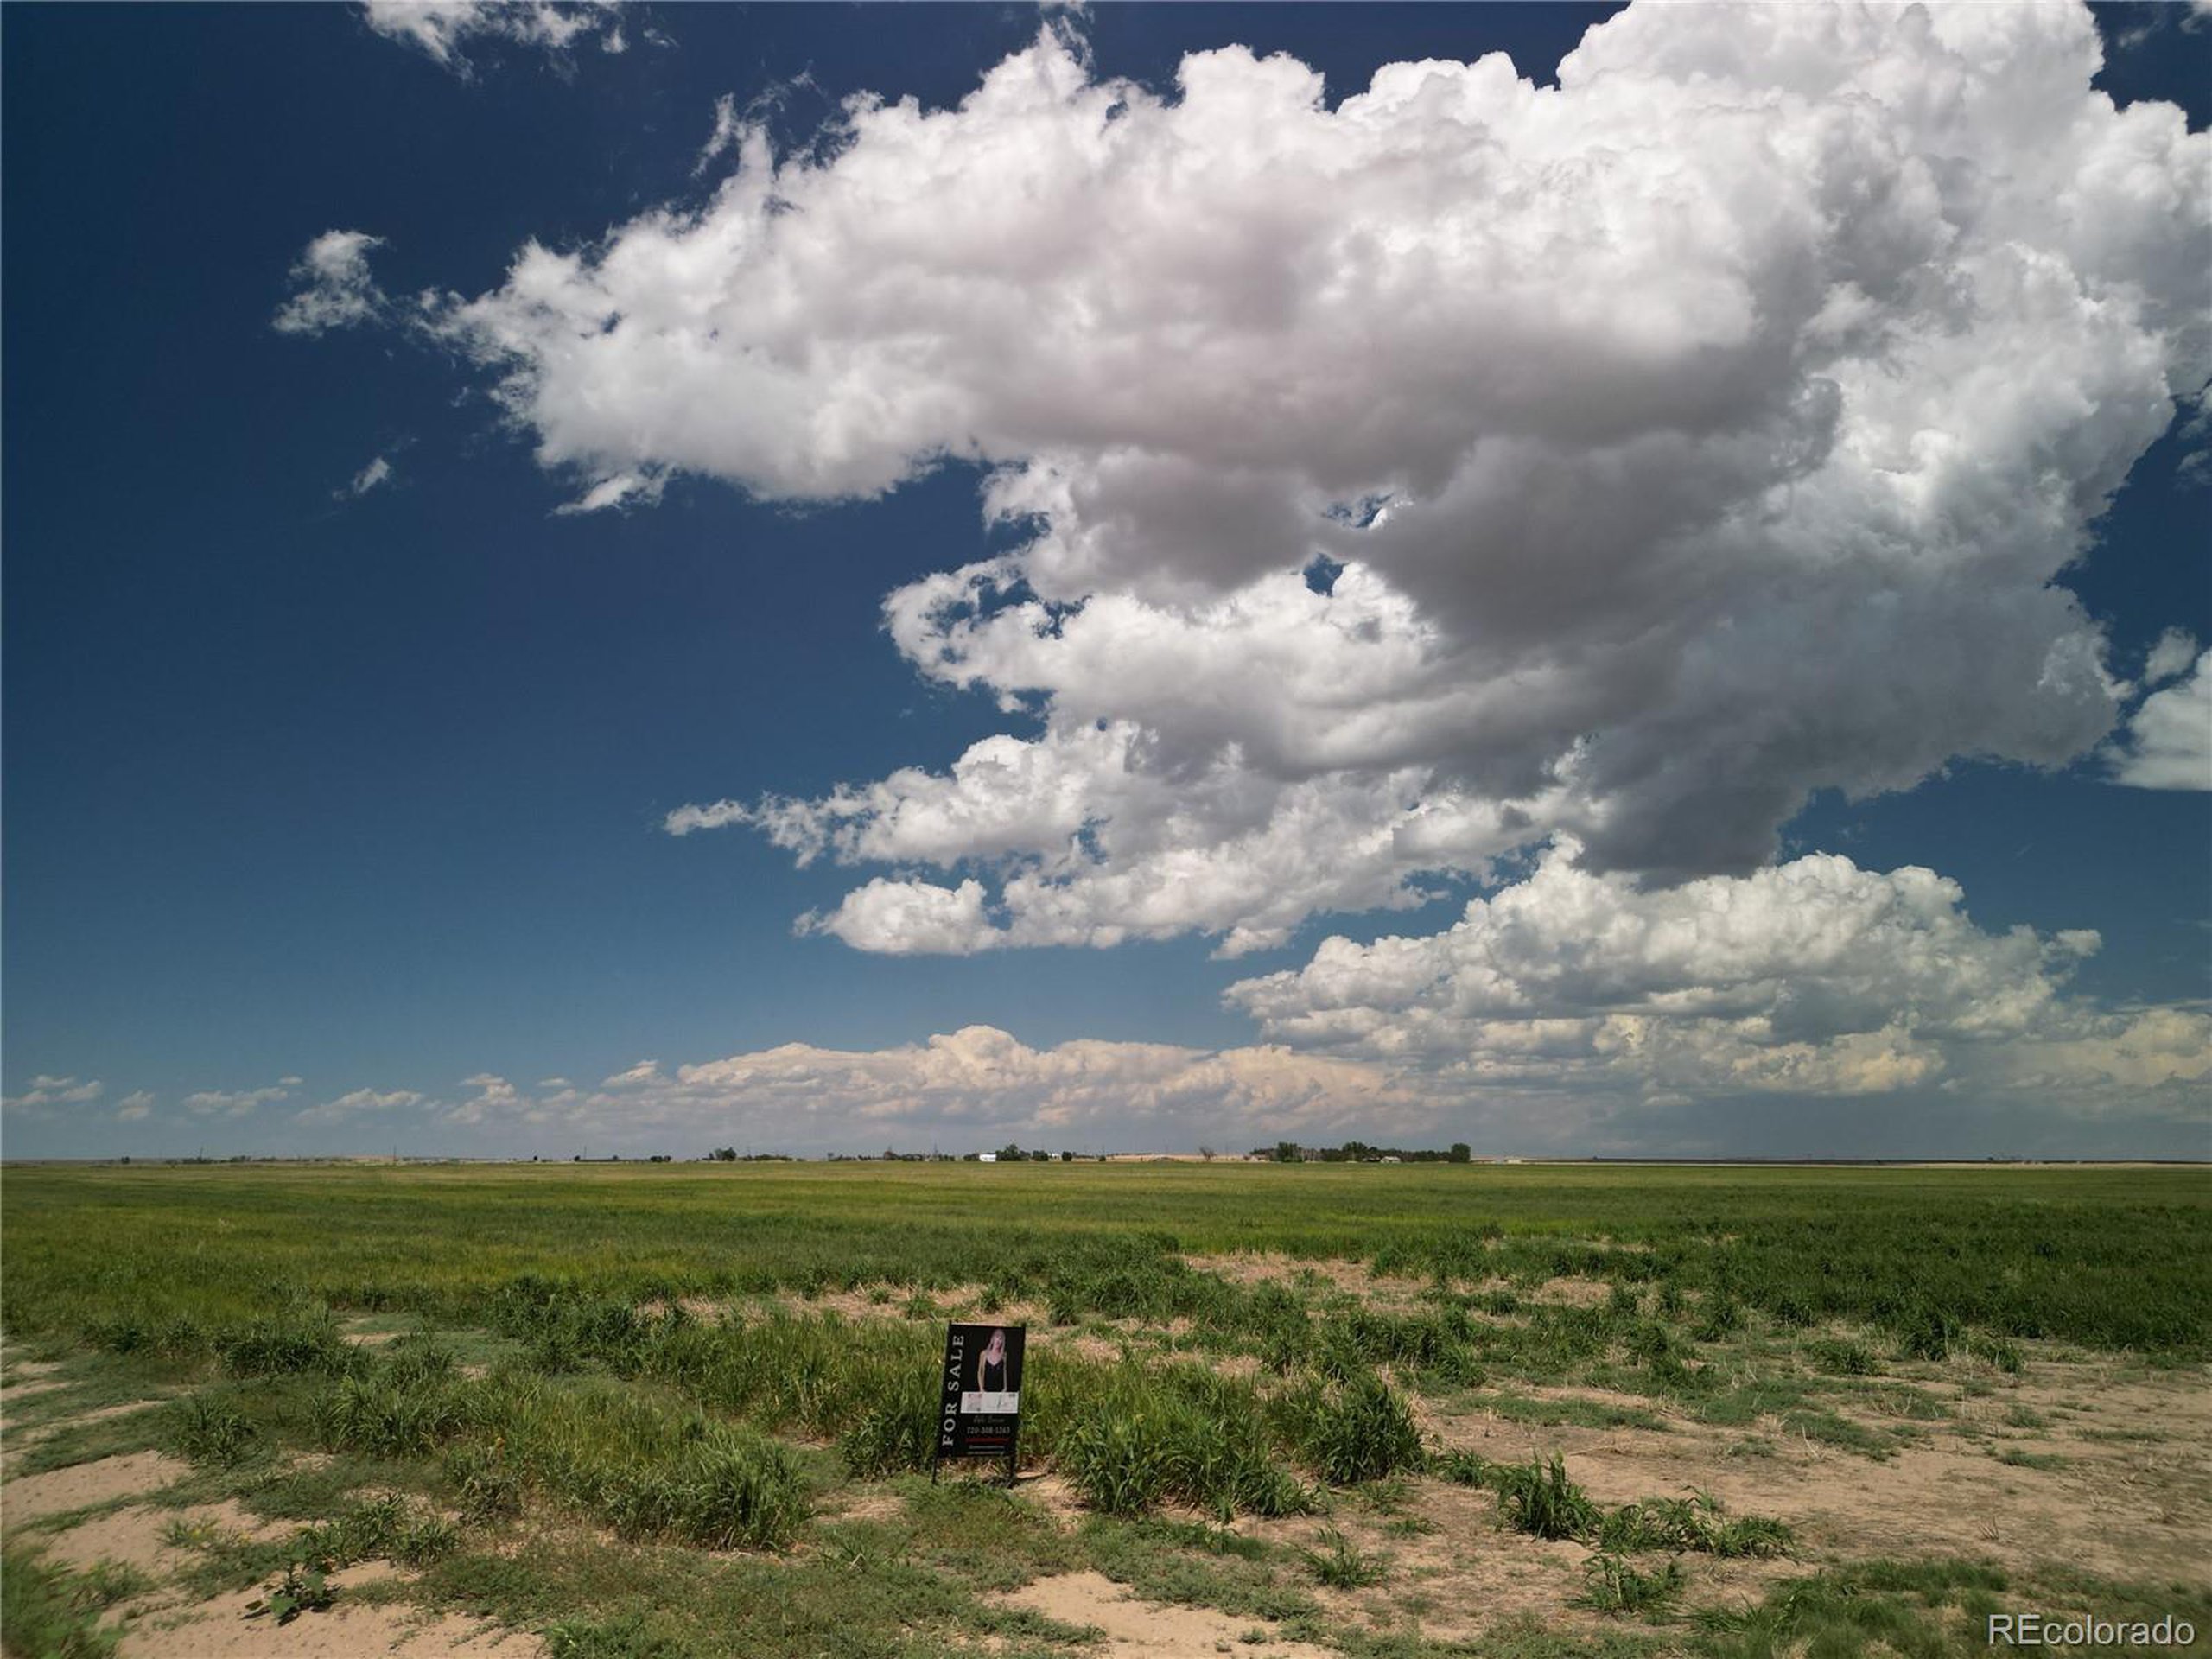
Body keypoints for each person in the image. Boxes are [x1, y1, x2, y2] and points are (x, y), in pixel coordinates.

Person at [977, 1327, 1009, 1392]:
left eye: (1001, 1339)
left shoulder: (1004, 1355)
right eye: (997, 1337)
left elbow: (1005, 1372)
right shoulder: (984, 1354)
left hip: (999, 1391)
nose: (998, 1340)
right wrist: (981, 1388)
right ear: (993, 1339)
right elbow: (980, 1372)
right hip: (986, 1390)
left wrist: (1005, 1387)